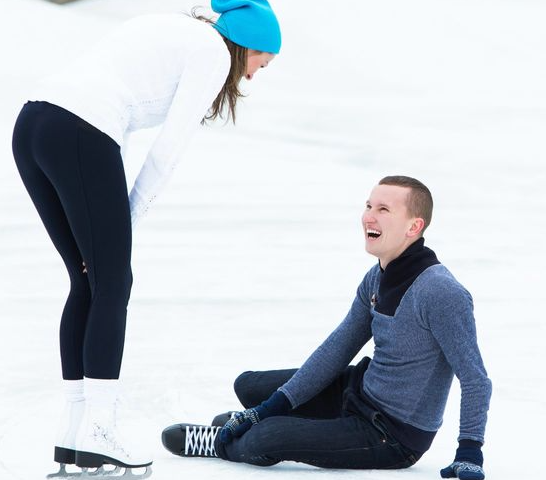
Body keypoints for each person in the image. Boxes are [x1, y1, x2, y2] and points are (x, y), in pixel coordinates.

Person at [11, 1, 281, 477]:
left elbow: (117, 116)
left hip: (33, 124)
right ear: (249, 44)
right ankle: (99, 429)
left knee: (87, 281)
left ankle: (73, 430)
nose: (259, 72)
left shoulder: (170, 29)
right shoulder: (214, 53)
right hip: (79, 131)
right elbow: (167, 148)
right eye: (265, 59)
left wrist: (110, 231)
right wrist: (124, 226)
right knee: (112, 283)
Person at [162, 176, 493, 480]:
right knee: (249, 387)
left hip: (391, 433)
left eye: (383, 209)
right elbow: (337, 349)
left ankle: (223, 442)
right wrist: (266, 409)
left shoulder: (441, 292)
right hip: (358, 392)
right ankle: (255, 422)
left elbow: (475, 378)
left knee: (265, 439)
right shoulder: (377, 277)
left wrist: (470, 452)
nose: (369, 217)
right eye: (368, 206)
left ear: (413, 226)